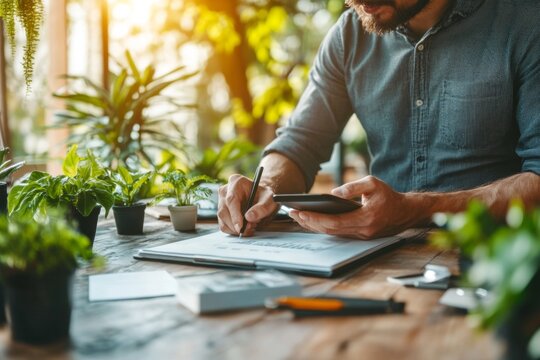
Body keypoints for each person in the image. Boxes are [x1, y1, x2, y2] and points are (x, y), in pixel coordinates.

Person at [218, 0, 540, 239]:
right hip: (380, 262)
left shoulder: (526, 23)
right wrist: (267, 187)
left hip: (497, 263)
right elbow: (298, 145)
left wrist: (417, 209)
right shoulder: (349, 36)